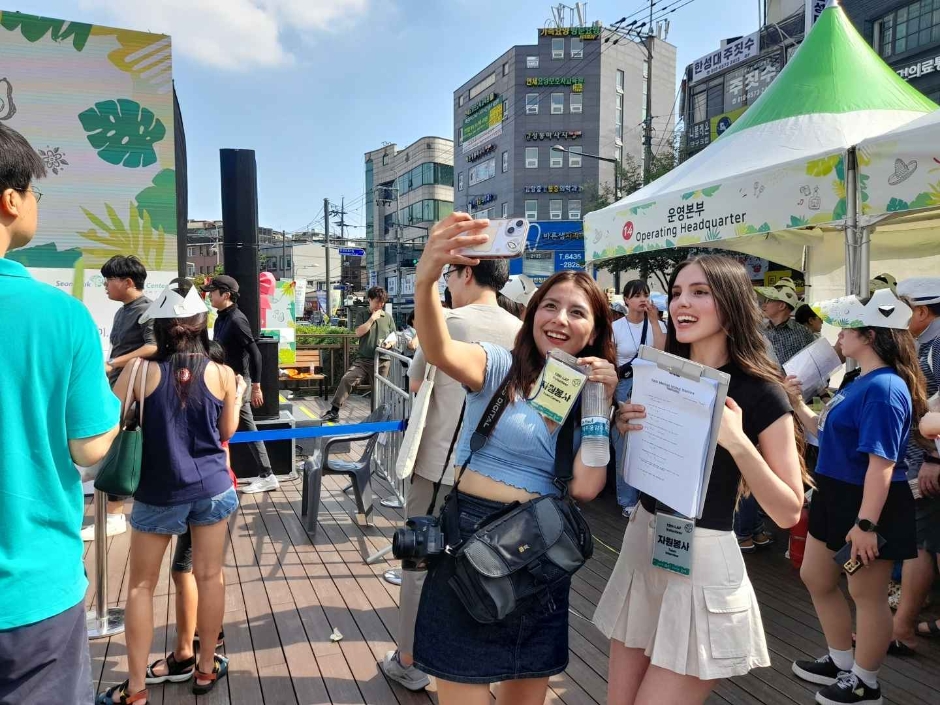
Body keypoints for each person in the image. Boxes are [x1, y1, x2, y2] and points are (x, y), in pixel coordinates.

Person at [410, 213, 617, 704]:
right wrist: (427, 276)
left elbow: (587, 488)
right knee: (460, 684)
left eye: (577, 312)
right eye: (550, 306)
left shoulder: (592, 395)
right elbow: (438, 350)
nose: (560, 319)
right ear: (531, 313)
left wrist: (599, 405)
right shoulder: (500, 365)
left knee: (526, 691)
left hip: (540, 547)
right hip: (470, 536)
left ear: (594, 329)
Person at [596, 254, 806, 705]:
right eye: (675, 293)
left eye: (699, 292)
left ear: (730, 303)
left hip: (704, 556)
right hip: (642, 542)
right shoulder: (660, 372)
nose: (680, 304)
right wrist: (623, 420)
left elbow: (789, 510)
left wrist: (736, 441)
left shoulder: (760, 391)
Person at [0, 123, 120, 704]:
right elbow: (89, 446)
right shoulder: (60, 317)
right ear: (11, 199)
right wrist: (118, 406)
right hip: (30, 592)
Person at [381, 259, 522, 691]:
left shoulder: (445, 323)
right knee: (486, 564)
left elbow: (417, 381)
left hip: (439, 465)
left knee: (420, 561)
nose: (447, 285)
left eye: (448, 276)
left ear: (464, 275)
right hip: (499, 474)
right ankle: (479, 660)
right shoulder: (521, 328)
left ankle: (410, 658)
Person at [96, 283, 241, 704]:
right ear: (201, 326)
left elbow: (111, 419)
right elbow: (227, 433)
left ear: (158, 326)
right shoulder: (223, 373)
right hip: (212, 488)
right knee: (210, 577)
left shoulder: (139, 371)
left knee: (141, 586)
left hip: (159, 490)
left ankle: (137, 689)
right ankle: (205, 667)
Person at [787, 288, 923, 705]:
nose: (836, 338)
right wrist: (795, 402)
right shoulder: (860, 379)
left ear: (868, 335)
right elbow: (824, 433)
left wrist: (866, 525)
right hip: (835, 493)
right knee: (816, 576)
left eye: (844, 329)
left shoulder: (884, 388)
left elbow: (882, 466)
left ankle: (866, 681)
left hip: (866, 502)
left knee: (866, 594)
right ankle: (841, 658)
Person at [82, 255, 159, 541]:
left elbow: (153, 347)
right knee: (119, 450)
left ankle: (115, 516)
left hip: (136, 394)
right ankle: (114, 508)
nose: (104, 286)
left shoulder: (148, 310)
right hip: (119, 390)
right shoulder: (123, 310)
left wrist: (115, 363)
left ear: (127, 282)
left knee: (121, 450)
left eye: (109, 280)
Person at [892, 277, 940, 651]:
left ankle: (901, 628)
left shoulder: (936, 347)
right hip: (920, 460)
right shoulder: (926, 344)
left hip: (927, 465)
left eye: (901, 308)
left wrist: (932, 458)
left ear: (922, 311)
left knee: (922, 544)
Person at [203, 275, 277, 493]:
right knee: (236, 426)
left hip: (237, 383)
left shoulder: (236, 319)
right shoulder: (221, 318)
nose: (209, 296)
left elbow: (256, 353)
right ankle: (263, 473)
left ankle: (264, 474)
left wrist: (255, 385)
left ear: (225, 295)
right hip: (225, 381)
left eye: (212, 292)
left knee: (235, 426)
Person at [611, 279, 666, 517]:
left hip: (650, 386)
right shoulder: (616, 328)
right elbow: (611, 360)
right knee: (624, 443)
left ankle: (646, 498)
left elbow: (662, 356)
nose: (642, 299)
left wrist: (654, 321)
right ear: (626, 300)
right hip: (624, 386)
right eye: (636, 295)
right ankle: (627, 499)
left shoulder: (658, 325)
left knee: (648, 440)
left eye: (645, 294)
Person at [321, 286, 395, 422]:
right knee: (347, 379)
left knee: (379, 391)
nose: (380, 305)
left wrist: (389, 344)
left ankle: (377, 418)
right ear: (370, 300)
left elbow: (394, 336)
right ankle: (334, 411)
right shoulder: (362, 314)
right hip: (363, 360)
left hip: (383, 360)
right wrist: (372, 318)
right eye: (377, 301)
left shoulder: (388, 318)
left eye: (382, 302)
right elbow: (358, 333)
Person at [756, 283, 816, 365]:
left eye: (768, 301)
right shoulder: (757, 330)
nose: (763, 306)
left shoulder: (803, 333)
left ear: (782, 306)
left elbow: (811, 364)